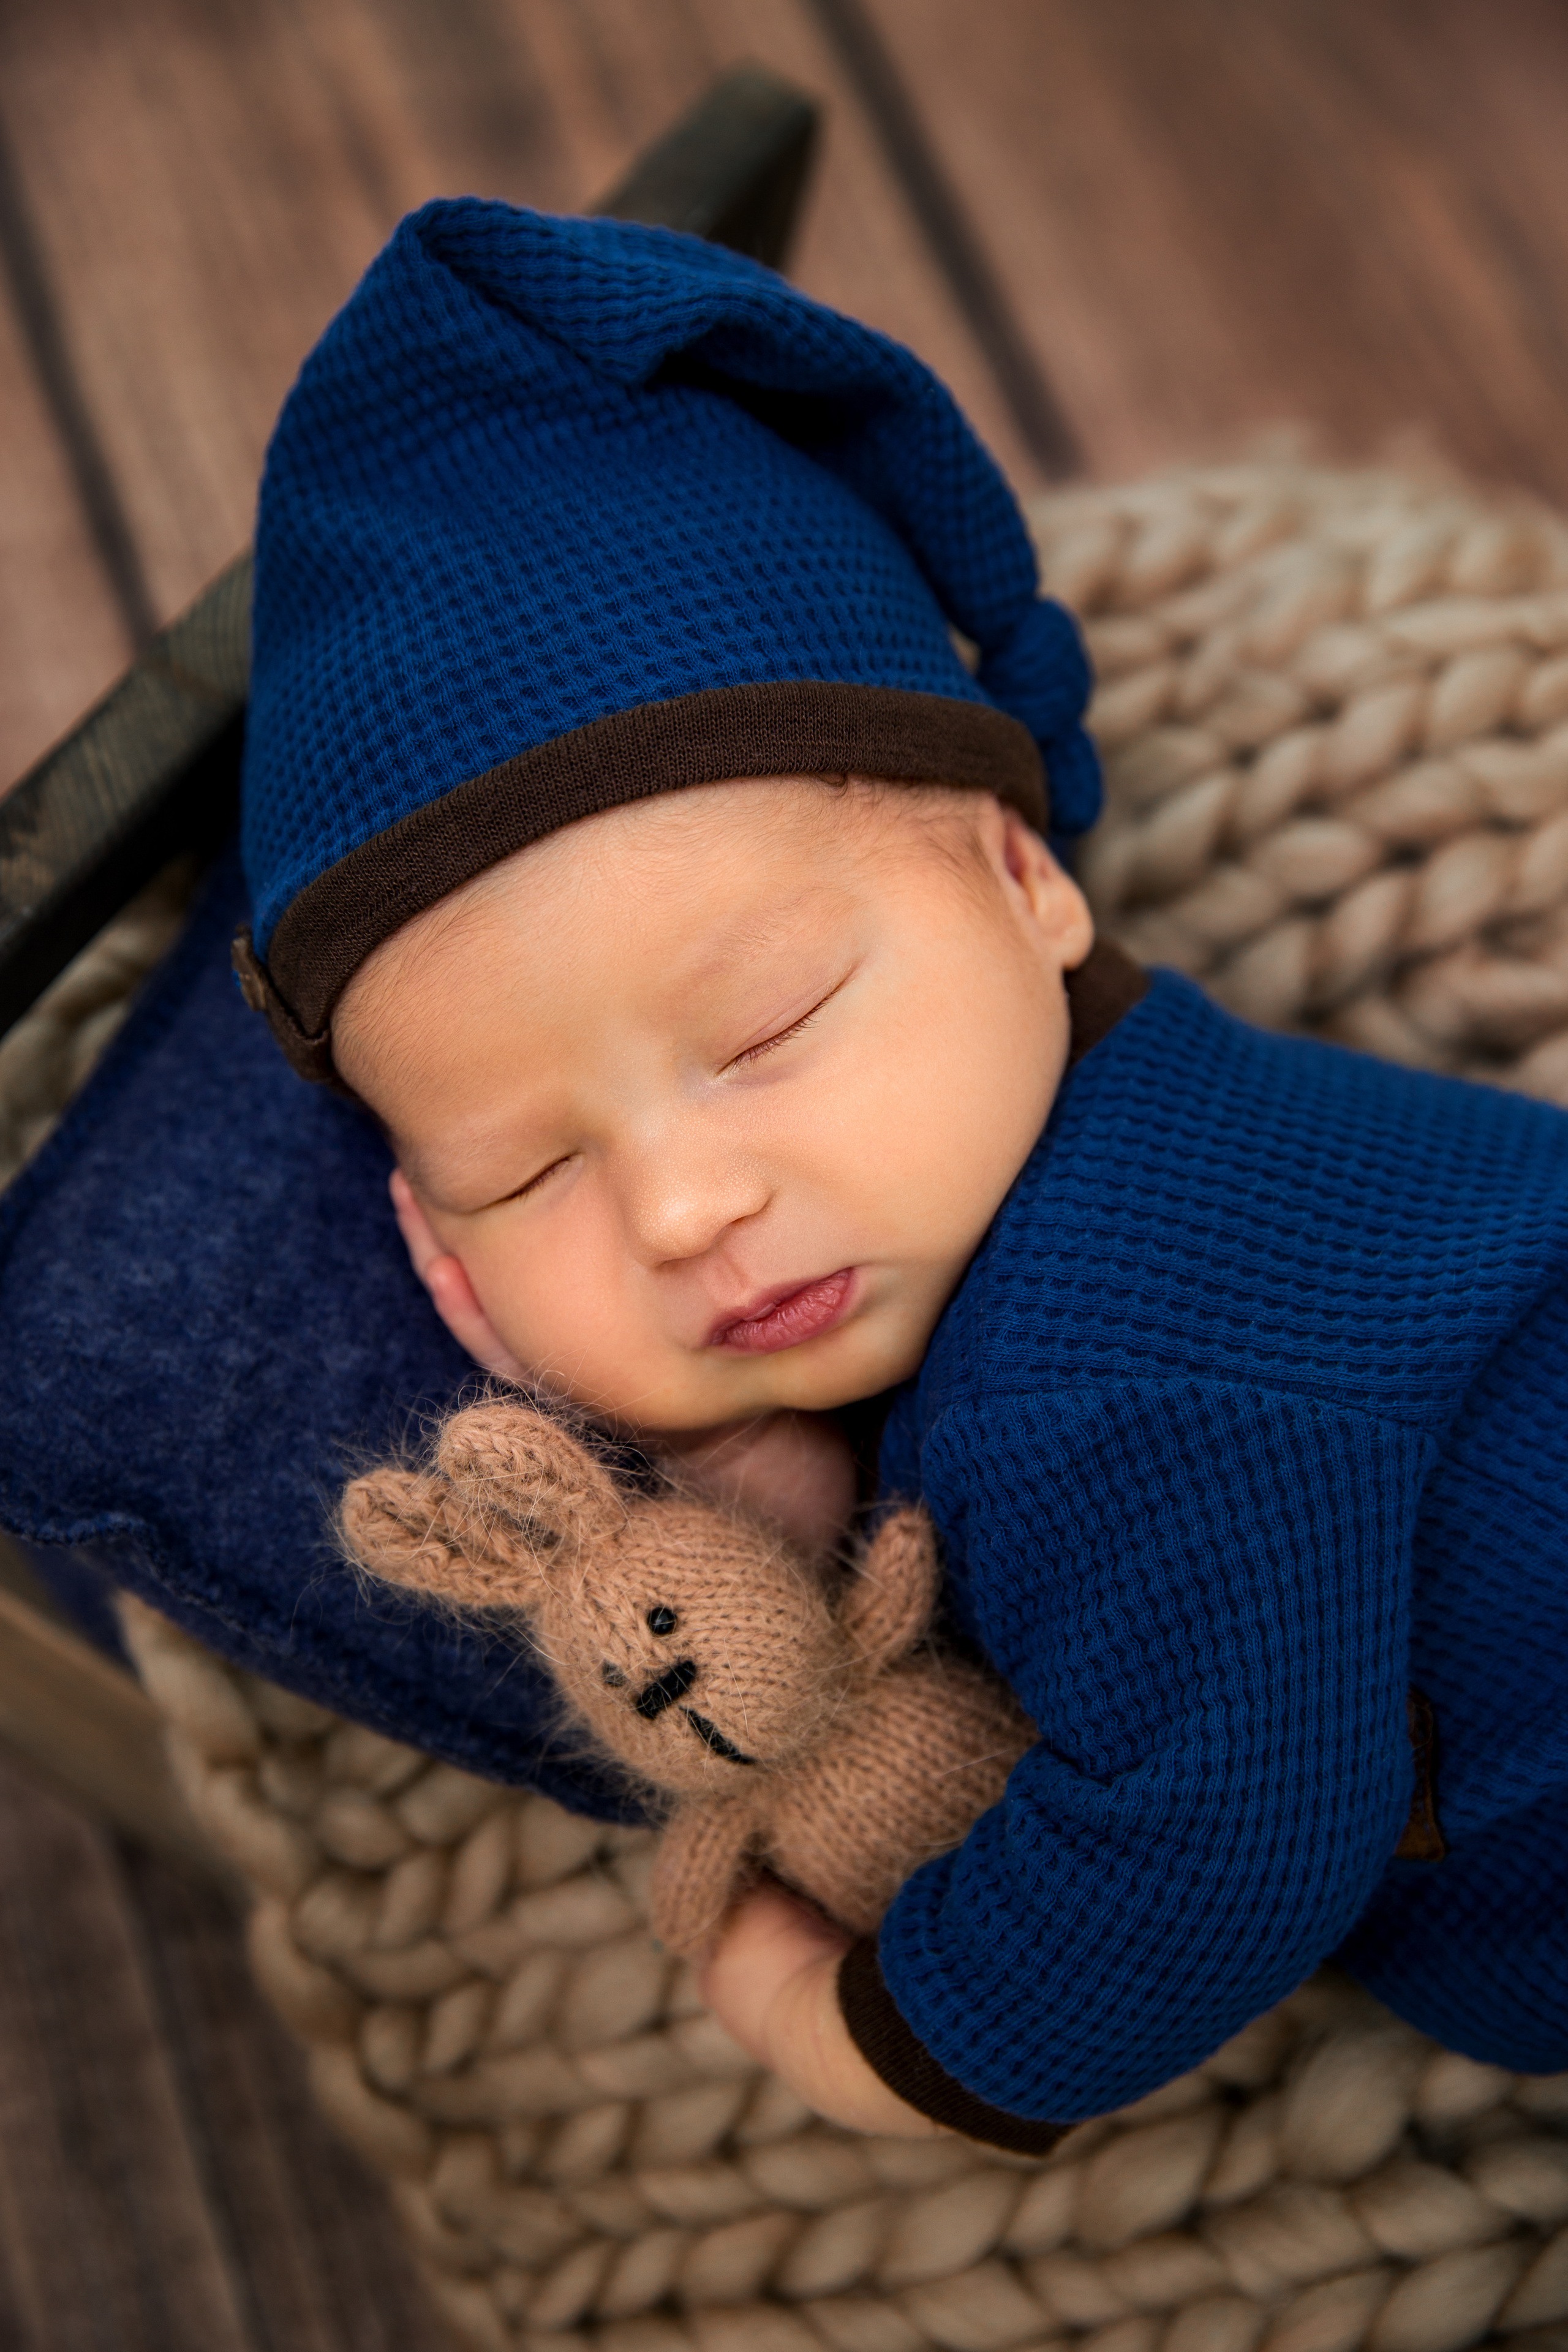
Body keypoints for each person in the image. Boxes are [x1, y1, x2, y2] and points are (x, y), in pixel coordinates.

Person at [235, 197, 1568, 2152]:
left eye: (767, 1029)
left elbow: (1232, 1827)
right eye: (530, 1175)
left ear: (1028, 883)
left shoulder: (1115, 1361)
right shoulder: (1144, 1152)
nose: (684, 1207)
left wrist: (871, 2033)